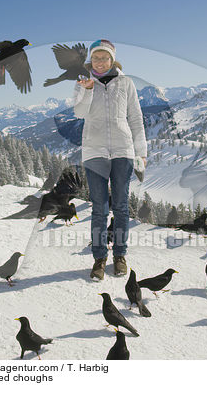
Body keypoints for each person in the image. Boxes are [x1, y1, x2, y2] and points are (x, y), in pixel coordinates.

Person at [73, 39, 147, 280]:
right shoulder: (84, 84)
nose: (101, 62)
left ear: (113, 60)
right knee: (99, 209)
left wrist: (140, 151)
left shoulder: (126, 83)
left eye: (105, 58)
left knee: (122, 207)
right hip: (94, 151)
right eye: (96, 58)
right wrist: (86, 92)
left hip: (123, 150)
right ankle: (99, 258)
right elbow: (79, 113)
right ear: (90, 61)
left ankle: (120, 255)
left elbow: (135, 118)